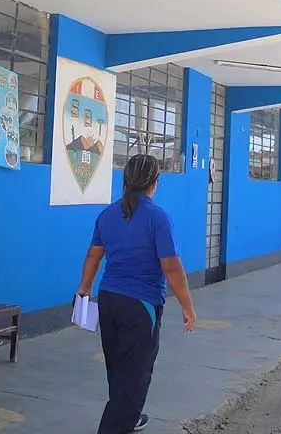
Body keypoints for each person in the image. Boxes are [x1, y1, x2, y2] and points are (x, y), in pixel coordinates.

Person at [76, 154, 198, 434]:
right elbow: (172, 267)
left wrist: (84, 290)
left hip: (109, 300)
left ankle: (128, 416)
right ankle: (118, 423)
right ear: (155, 182)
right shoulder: (158, 218)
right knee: (135, 375)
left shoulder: (108, 214)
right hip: (140, 306)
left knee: (118, 367)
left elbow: (93, 256)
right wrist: (187, 306)